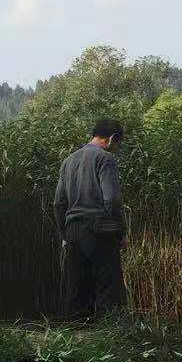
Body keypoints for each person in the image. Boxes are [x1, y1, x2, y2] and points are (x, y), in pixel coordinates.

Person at [53, 118, 128, 322]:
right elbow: (112, 199)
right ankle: (107, 337)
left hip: (73, 231)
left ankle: (76, 340)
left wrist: (64, 234)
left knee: (77, 288)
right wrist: (121, 230)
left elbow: (59, 203)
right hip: (100, 229)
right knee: (107, 286)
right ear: (112, 138)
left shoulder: (68, 161)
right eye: (118, 144)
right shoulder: (105, 159)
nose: (117, 149)